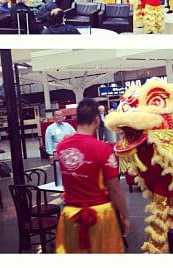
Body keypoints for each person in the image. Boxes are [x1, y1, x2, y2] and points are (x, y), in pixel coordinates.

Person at [55, 98, 129, 253]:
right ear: (97, 120)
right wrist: (125, 216)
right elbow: (114, 187)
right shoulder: (102, 149)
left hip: (71, 215)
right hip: (99, 216)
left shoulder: (61, 147)